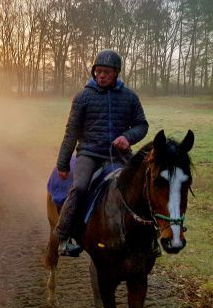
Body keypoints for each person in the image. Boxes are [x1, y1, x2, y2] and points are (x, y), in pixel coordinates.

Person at [55, 49, 148, 257]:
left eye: (106, 72)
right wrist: (62, 164)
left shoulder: (130, 97)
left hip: (119, 155)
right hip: (89, 153)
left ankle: (150, 240)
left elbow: (142, 125)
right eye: (98, 71)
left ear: (116, 73)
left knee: (142, 186)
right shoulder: (82, 97)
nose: (101, 75)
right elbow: (71, 132)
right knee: (79, 188)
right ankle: (63, 236)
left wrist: (128, 137)